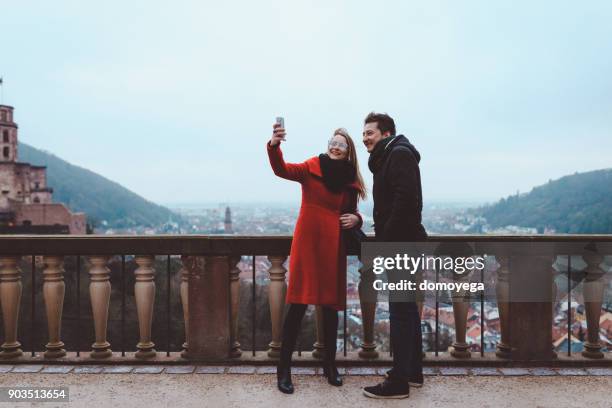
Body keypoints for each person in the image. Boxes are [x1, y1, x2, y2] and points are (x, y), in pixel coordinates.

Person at [267, 122, 367, 394]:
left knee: (330, 307)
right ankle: (284, 369)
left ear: (348, 152)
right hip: (308, 242)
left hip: (332, 245)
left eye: (341, 144)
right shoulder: (311, 168)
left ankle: (330, 365)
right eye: (332, 142)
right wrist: (275, 145)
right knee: (297, 305)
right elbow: (281, 169)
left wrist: (357, 218)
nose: (335, 146)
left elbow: (353, 212)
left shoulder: (349, 181)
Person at [361, 112, 427, 399]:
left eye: (370, 133)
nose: (365, 137)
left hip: (400, 243)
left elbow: (406, 200)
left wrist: (386, 237)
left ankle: (399, 381)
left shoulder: (398, 154)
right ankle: (412, 371)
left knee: (400, 311)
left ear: (385, 133)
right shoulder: (393, 155)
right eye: (363, 133)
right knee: (408, 309)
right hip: (404, 241)